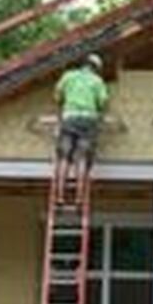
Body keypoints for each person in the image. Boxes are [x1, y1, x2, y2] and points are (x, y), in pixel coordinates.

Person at [54, 53, 109, 205]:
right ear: (96, 68)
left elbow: (58, 95)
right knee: (82, 158)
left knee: (64, 157)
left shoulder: (68, 76)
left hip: (69, 118)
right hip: (88, 120)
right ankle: (79, 197)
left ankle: (60, 196)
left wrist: (63, 106)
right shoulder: (97, 81)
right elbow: (103, 102)